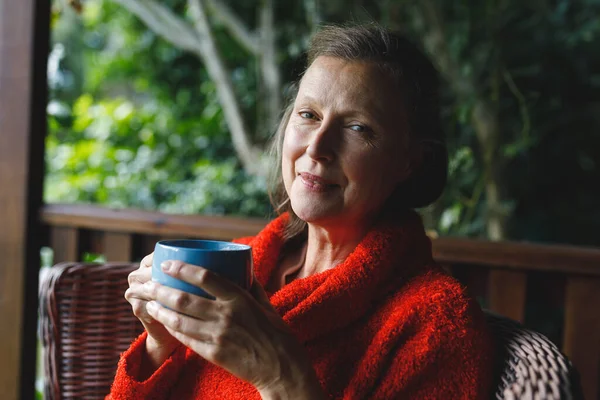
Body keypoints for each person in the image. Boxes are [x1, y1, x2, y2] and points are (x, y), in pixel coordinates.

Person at [107, 24, 495, 400]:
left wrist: (281, 379)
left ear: (410, 161)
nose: (317, 147)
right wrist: (162, 343)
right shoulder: (237, 268)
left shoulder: (436, 322)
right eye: (308, 115)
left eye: (359, 128)